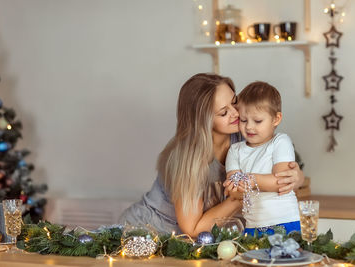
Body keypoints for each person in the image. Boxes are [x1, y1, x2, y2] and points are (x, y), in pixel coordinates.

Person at [119, 73, 304, 237]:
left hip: (200, 239)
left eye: (234, 102)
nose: (236, 114)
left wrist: (296, 177)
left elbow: (276, 164)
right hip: (148, 233)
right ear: (204, 120)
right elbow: (192, 230)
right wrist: (240, 197)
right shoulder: (187, 158)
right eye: (224, 112)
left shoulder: (242, 135)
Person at [225, 81, 300, 236]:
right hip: (252, 225)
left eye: (257, 121)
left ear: (276, 119)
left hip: (285, 221)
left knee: (286, 259)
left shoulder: (280, 141)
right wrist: (240, 186)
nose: (249, 127)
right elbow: (234, 192)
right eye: (244, 120)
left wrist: (250, 180)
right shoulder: (235, 150)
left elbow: (281, 183)